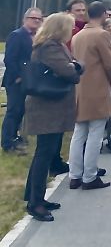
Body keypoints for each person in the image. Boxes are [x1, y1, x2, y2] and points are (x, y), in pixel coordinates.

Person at [22, 13, 83, 222]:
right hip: (46, 108)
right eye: (70, 27)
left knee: (45, 153)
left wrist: (73, 68)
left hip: (51, 107)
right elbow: (69, 72)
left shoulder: (53, 45)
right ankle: (35, 202)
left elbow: (69, 70)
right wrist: (76, 67)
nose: (72, 30)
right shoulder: (50, 47)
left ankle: (34, 196)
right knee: (44, 154)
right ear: (60, 28)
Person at [69, 1, 111, 191]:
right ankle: (89, 176)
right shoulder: (102, 34)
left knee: (79, 133)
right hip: (97, 88)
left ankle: (75, 175)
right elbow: (110, 63)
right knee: (96, 134)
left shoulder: (77, 36)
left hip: (80, 89)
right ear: (104, 14)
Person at [2, 8, 43, 154]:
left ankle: (16, 137)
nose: (36, 21)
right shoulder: (17, 35)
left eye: (39, 19)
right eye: (33, 18)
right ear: (25, 19)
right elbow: (10, 59)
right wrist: (18, 76)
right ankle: (7, 142)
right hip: (16, 80)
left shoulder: (38, 36)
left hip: (30, 80)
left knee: (22, 111)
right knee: (14, 111)